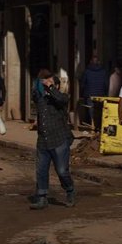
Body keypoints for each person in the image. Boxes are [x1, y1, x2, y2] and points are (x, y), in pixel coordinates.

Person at [30, 69, 76, 210]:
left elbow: (61, 99)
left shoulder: (62, 98)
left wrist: (51, 87)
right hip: (43, 141)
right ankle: (42, 197)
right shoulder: (41, 99)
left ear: (56, 85)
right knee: (41, 170)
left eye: (51, 83)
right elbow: (34, 93)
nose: (47, 85)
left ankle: (69, 190)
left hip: (59, 139)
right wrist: (41, 81)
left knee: (62, 170)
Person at [80, 55, 107, 127]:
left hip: (90, 94)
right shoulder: (103, 72)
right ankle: (99, 125)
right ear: (98, 62)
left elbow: (82, 84)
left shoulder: (87, 71)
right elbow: (106, 84)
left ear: (91, 62)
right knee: (100, 110)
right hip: (100, 94)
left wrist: (83, 92)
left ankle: (93, 125)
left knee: (91, 110)